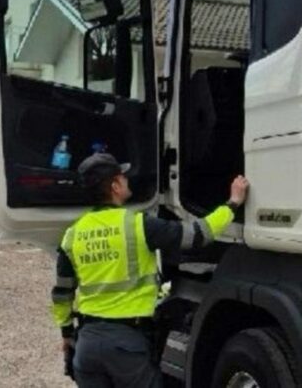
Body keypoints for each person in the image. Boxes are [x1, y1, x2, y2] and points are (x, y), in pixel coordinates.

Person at [51, 152, 249, 388]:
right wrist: (233, 203)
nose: (127, 181)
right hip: (126, 345)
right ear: (115, 185)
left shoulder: (72, 235)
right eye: (122, 177)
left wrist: (66, 334)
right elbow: (198, 234)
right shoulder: (138, 225)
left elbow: (61, 294)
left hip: (87, 345)